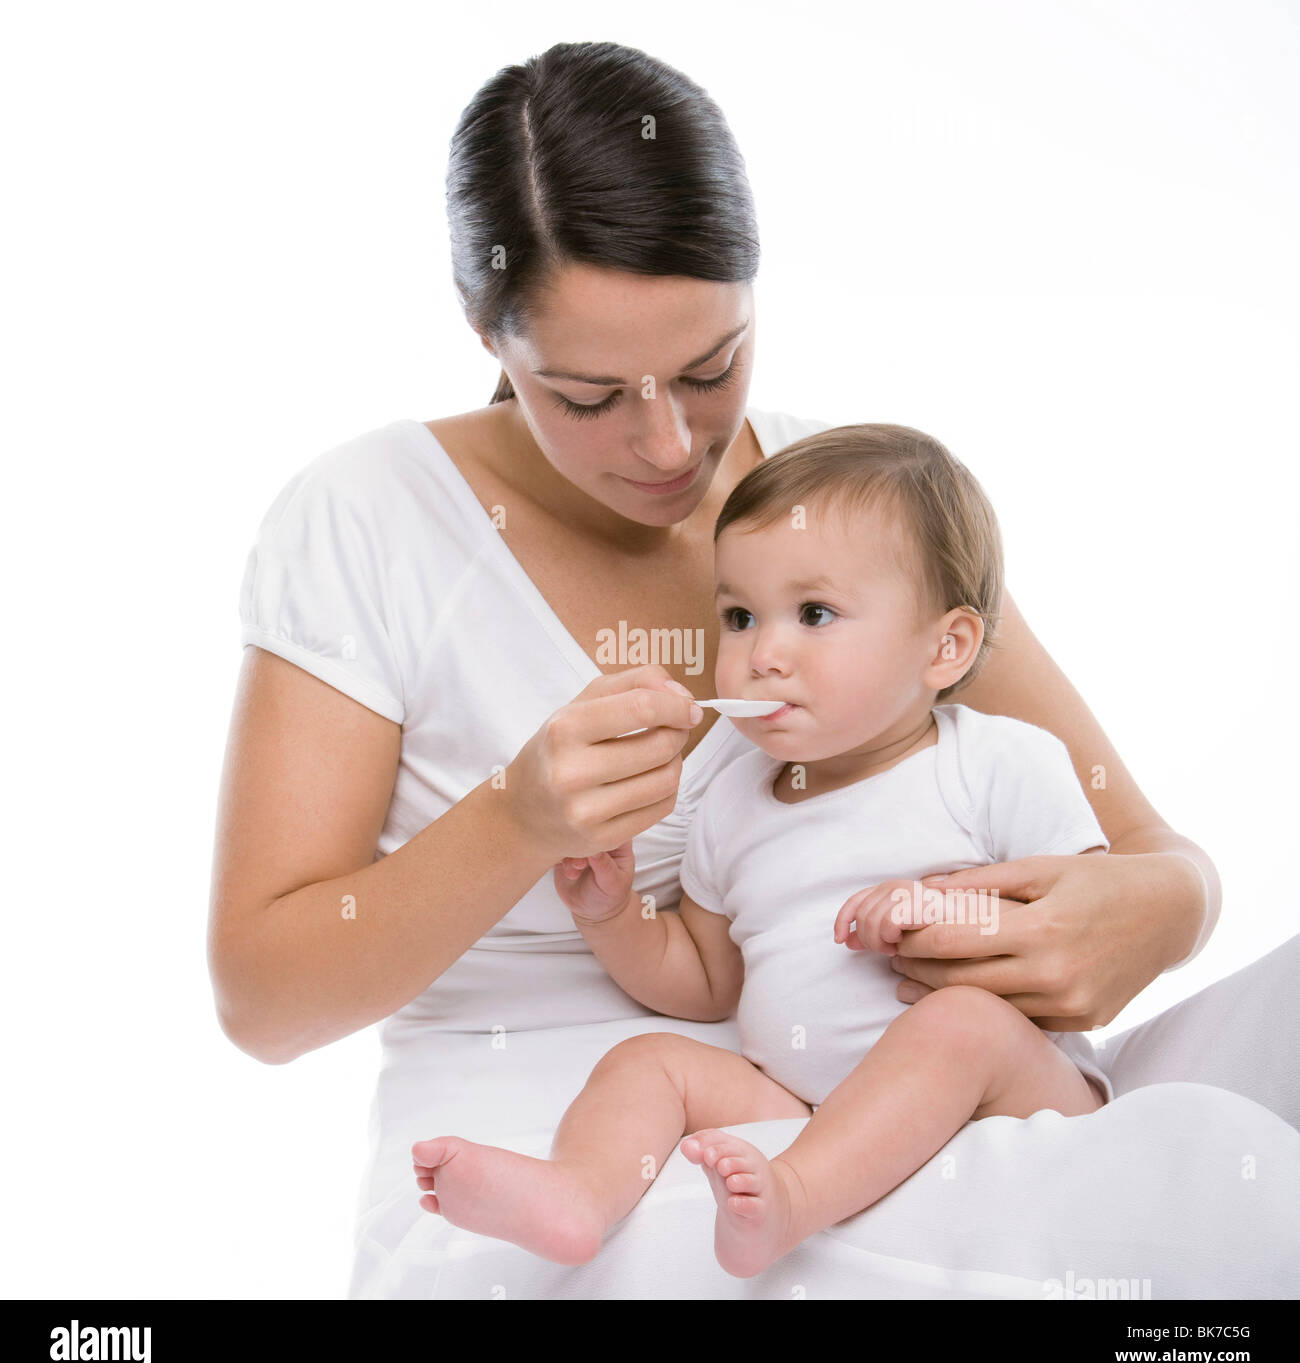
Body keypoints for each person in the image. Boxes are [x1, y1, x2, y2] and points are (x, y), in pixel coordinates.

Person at [207, 41, 1297, 1298]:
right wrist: (517, 821)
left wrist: (1162, 909)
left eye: (714, 365)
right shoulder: (366, 517)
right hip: (607, 1128)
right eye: (588, 393)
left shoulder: (848, 506)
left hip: (928, 1090)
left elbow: (1147, 852)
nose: (669, 444)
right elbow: (263, 1002)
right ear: (485, 332)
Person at [411, 424, 1121, 1277]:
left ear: (947, 647)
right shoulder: (735, 797)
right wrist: (612, 915)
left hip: (1012, 1097)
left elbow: (1085, 916)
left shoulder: (995, 762)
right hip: (810, 1107)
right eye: (740, 617)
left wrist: (947, 908)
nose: (762, 656)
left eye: (814, 615)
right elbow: (708, 979)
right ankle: (578, 1192)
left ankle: (795, 1199)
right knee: (652, 1062)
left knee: (960, 1023)